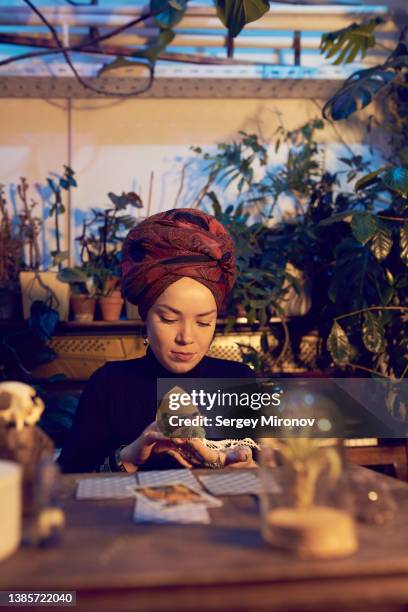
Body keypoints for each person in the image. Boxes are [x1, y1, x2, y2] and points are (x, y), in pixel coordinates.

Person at [58, 208, 257, 473]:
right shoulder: (109, 385)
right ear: (146, 317)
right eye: (168, 319)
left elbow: (273, 476)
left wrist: (245, 467)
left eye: (203, 322)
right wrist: (129, 457)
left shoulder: (239, 381)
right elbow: (65, 482)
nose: (186, 337)